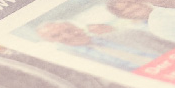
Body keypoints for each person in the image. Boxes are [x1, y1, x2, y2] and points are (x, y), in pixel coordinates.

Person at [35, 20, 168, 69]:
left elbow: (171, 46)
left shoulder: (124, 34)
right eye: (56, 36)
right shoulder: (75, 62)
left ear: (79, 27)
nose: (68, 36)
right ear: (51, 42)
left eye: (69, 30)